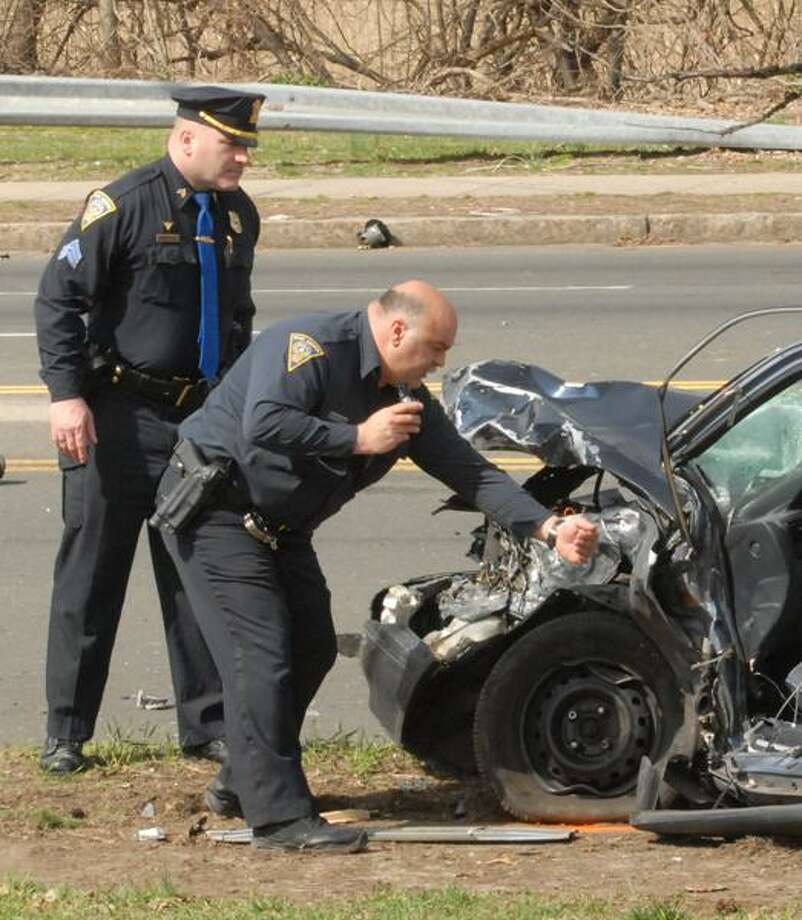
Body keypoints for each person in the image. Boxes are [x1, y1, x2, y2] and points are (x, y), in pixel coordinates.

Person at [154, 279, 599, 853]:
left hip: (281, 529)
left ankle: (244, 780)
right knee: (258, 655)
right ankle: (279, 821)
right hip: (217, 512)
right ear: (396, 331)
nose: (439, 363)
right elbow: (263, 422)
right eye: (435, 348)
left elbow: (470, 472)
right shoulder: (310, 346)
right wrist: (357, 437)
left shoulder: (401, 396)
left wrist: (546, 526)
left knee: (310, 648)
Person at [34, 85, 266, 773]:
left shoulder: (235, 217)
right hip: (116, 419)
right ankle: (67, 732)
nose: (244, 159)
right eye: (234, 144)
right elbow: (57, 301)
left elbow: (237, 317)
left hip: (198, 422)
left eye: (248, 146)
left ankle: (207, 726)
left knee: (198, 573)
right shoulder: (123, 205)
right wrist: (65, 397)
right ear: (189, 137)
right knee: (92, 577)